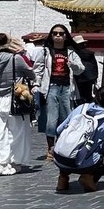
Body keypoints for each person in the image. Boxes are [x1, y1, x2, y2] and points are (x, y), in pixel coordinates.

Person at [0, 33, 36, 176]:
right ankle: (14, 161)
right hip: (14, 99)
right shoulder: (16, 58)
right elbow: (31, 74)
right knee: (16, 132)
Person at [38, 24, 86, 161]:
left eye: (61, 33)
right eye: (55, 33)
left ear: (66, 36)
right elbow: (38, 69)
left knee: (66, 119)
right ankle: (50, 148)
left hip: (67, 88)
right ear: (51, 36)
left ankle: (61, 147)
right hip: (51, 87)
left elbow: (81, 69)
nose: (58, 35)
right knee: (51, 120)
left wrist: (73, 65)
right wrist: (36, 84)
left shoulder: (71, 52)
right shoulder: (46, 52)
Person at [71, 35, 99, 103]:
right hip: (90, 76)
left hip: (79, 76)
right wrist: (95, 77)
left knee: (80, 94)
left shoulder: (73, 53)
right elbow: (94, 65)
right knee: (88, 93)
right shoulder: (89, 53)